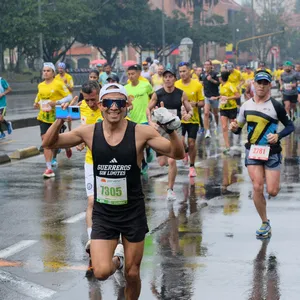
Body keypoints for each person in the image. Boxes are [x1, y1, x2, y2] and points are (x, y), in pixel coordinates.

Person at [41, 83, 185, 299]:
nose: (114, 107)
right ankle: (117, 260)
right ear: (101, 105)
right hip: (104, 214)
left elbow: (178, 153)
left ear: (127, 104)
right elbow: (49, 142)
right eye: (109, 102)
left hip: (132, 212)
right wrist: (60, 119)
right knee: (100, 272)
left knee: (133, 273)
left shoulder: (140, 132)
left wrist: (171, 130)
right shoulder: (90, 132)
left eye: (119, 102)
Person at [229, 70, 294, 238]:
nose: (262, 86)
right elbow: (238, 129)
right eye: (259, 82)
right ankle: (265, 222)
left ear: (270, 86)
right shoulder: (246, 106)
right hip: (253, 150)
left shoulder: (276, 105)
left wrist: (278, 135)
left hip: (272, 152)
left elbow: (290, 126)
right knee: (257, 186)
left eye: (265, 83)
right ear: (254, 84)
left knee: (272, 191)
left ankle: (269, 186)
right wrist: (234, 128)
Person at [147, 69, 193, 200]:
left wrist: (188, 115)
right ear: (163, 80)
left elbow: (190, 109)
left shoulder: (181, 93)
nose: (167, 79)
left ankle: (170, 190)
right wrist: (150, 122)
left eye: (170, 77)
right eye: (165, 77)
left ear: (174, 79)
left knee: (172, 160)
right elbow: (148, 109)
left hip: (175, 129)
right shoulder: (158, 94)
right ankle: (182, 150)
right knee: (162, 162)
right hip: (161, 130)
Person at [76, 81, 103, 257]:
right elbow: (82, 130)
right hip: (90, 161)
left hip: (110, 162)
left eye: (93, 99)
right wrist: (79, 141)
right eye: (87, 100)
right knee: (92, 201)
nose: (91, 104)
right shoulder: (82, 107)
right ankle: (92, 239)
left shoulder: (110, 108)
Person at [33, 62, 72, 178]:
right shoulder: (40, 85)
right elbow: (39, 96)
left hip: (56, 117)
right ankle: (49, 168)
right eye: (44, 71)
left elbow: (69, 96)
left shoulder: (59, 84)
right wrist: (36, 103)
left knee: (55, 141)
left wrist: (57, 103)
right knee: (45, 142)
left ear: (53, 73)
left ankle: (66, 145)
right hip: (43, 117)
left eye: (48, 71)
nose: (45, 73)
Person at [175, 62, 205, 177]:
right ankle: (185, 152)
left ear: (189, 71)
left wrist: (195, 104)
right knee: (181, 142)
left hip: (193, 118)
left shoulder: (197, 85)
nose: (182, 73)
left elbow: (202, 103)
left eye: (184, 71)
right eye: (180, 71)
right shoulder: (176, 84)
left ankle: (192, 166)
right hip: (179, 118)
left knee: (191, 143)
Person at [125, 64, 154, 175]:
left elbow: (153, 97)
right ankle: (143, 163)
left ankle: (149, 150)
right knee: (138, 145)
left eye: (133, 74)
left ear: (138, 74)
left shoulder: (146, 85)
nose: (131, 76)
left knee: (145, 142)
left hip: (145, 118)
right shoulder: (126, 88)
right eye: (129, 74)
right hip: (132, 119)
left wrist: (151, 108)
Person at [212, 71, 240, 154]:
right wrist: (217, 97)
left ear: (222, 78)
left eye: (219, 77)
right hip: (223, 108)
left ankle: (236, 138)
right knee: (224, 127)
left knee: (233, 127)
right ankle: (227, 146)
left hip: (232, 108)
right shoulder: (221, 85)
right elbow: (222, 96)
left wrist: (228, 98)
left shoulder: (230, 85)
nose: (218, 78)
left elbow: (238, 95)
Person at [200, 60, 220, 139]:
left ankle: (217, 125)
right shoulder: (202, 74)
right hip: (206, 96)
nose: (206, 66)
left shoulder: (215, 74)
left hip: (214, 96)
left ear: (211, 66)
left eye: (208, 65)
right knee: (206, 113)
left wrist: (211, 79)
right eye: (205, 64)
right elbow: (200, 83)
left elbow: (218, 83)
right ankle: (207, 131)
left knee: (215, 113)